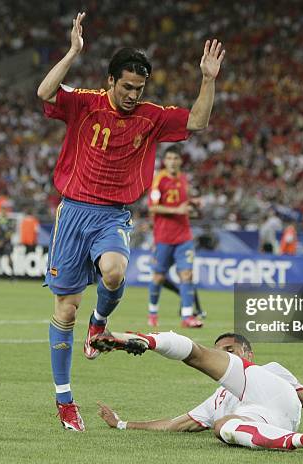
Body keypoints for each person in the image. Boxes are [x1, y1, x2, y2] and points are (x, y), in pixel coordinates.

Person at [36, 12, 225, 431]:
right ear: (110, 81)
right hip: (72, 212)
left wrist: (208, 79)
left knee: (115, 271)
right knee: (65, 310)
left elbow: (197, 121)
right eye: (126, 87)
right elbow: (45, 92)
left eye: (139, 89)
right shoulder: (84, 102)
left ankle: (99, 324)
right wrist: (72, 52)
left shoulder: (152, 116)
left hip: (112, 215)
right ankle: (65, 401)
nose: (132, 96)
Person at [93, 331, 303, 451]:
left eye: (230, 350)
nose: (225, 354)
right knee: (222, 426)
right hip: (268, 425)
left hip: (278, 399)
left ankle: (147, 340)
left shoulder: (272, 371)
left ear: (247, 352)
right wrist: (122, 423)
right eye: (222, 352)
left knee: (198, 356)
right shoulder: (217, 400)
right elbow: (176, 425)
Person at [148, 145, 203, 328]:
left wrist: (193, 203)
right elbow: (152, 207)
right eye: (169, 158)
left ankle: (187, 317)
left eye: (175, 158)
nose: (172, 161)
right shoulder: (159, 179)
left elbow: (183, 203)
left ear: (180, 161)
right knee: (158, 277)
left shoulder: (184, 179)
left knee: (186, 274)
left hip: (184, 236)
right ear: (165, 161)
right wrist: (177, 209)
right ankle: (153, 312)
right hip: (163, 237)